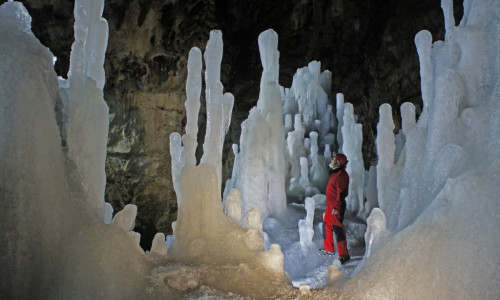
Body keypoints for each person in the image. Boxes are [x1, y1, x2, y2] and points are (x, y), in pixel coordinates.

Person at [319, 153, 350, 264]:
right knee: (326, 225)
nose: (332, 160)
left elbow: (341, 193)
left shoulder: (342, 175)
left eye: (334, 159)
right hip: (330, 206)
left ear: (338, 163)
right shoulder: (335, 173)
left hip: (337, 206)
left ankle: (344, 254)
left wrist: (336, 207)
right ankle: (329, 250)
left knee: (337, 228)